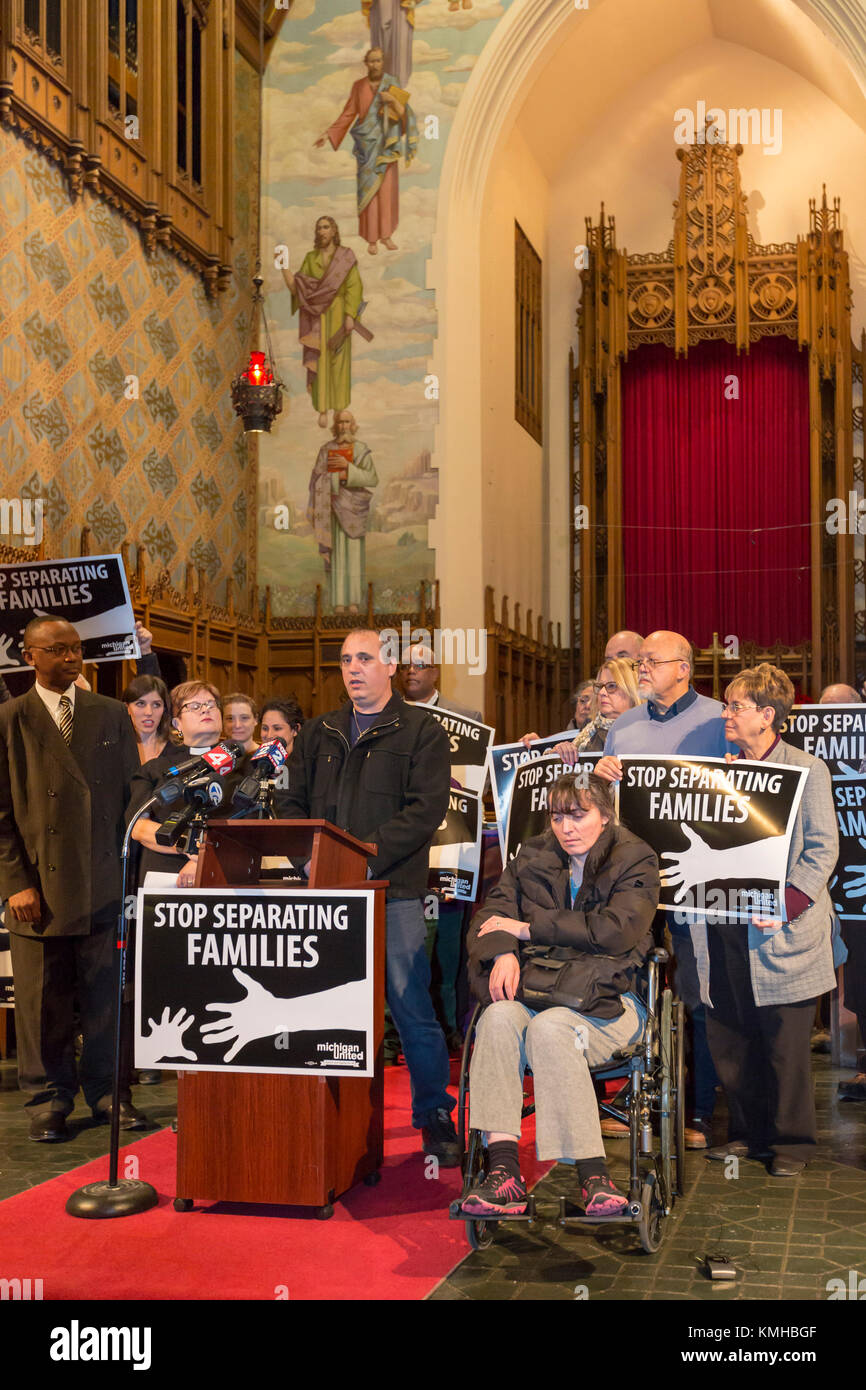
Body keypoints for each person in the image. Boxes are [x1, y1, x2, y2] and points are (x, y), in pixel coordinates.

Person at [281, 628, 459, 1164]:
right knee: (324, 1008)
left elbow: (425, 811)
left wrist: (364, 855)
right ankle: (326, 1112)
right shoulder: (319, 732)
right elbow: (291, 801)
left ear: (389, 667)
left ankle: (433, 1117)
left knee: (411, 1008)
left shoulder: (421, 731)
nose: (353, 668)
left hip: (394, 891)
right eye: (344, 660)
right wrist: (303, 853)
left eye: (364, 658)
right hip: (325, 893)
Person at [460, 772, 659, 1216]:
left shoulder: (636, 858)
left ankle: (593, 1176)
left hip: (611, 1002)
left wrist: (530, 929)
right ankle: (504, 1172)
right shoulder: (531, 855)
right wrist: (503, 953)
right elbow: (492, 918)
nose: (566, 827)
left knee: (551, 1030)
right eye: (556, 817)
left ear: (605, 816)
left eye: (578, 814)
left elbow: (615, 931)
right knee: (496, 1016)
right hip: (539, 991)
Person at [0, 616, 143, 1140]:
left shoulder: (109, 715)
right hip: (35, 887)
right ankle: (47, 1100)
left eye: (75, 649)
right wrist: (16, 881)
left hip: (103, 881)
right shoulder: (10, 719)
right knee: (43, 1002)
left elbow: (133, 799)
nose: (70, 658)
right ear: (29, 656)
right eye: (57, 650)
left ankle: (110, 1092)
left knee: (108, 997)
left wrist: (129, 872)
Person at [695, 664, 839, 1176]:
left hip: (785, 931)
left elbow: (823, 850)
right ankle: (747, 1134)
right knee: (735, 1037)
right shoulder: (725, 770)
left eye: (736, 706)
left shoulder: (808, 769)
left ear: (767, 715)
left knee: (785, 1045)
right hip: (728, 926)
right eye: (728, 705)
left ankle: (792, 1145)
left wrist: (783, 907)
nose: (726, 714)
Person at [594, 630, 727, 1149]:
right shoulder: (623, 725)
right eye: (638, 660)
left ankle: (701, 1109)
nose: (641, 667)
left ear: (683, 668)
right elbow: (603, 805)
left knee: (698, 990)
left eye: (651, 661)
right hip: (633, 878)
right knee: (623, 979)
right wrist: (602, 775)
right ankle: (622, 1099)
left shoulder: (719, 720)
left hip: (697, 881)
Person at [315, 49, 417, 256]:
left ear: (383, 62)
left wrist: (392, 101)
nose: (375, 65)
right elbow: (349, 113)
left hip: (386, 146)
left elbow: (404, 112)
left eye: (378, 61)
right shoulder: (359, 86)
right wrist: (328, 134)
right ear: (366, 63)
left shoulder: (392, 82)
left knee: (387, 192)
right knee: (368, 194)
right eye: (371, 61)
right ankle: (372, 239)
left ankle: (386, 236)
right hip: (366, 147)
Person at [127, 681, 228, 889]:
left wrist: (204, 857)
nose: (205, 710)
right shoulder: (157, 769)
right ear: (177, 724)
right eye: (194, 706)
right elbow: (138, 827)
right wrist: (188, 848)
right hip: (165, 879)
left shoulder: (245, 767)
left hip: (226, 874)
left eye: (211, 704)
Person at [282, 217, 363, 428]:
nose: (322, 232)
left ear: (334, 231)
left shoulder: (346, 257)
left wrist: (349, 315)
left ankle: (338, 408)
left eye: (326, 227)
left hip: (338, 314)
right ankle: (322, 409)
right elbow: (298, 289)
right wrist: (283, 268)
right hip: (316, 318)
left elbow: (354, 287)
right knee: (320, 360)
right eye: (319, 228)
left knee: (339, 362)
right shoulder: (311, 258)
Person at [308, 409, 378, 611]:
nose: (343, 426)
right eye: (340, 422)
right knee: (337, 554)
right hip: (333, 508)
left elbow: (372, 478)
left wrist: (348, 468)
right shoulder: (326, 449)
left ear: (353, 425)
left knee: (353, 556)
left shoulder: (361, 449)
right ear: (335, 426)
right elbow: (316, 479)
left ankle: (354, 602)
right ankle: (338, 602)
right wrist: (333, 479)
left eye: (347, 422)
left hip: (354, 509)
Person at [554, 657, 641, 757]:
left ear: (632, 690)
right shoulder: (588, 731)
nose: (602, 693)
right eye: (600, 686)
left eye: (611, 686)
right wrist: (559, 754)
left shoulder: (648, 732)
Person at [399, 642, 483, 722]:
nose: (411, 670)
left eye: (420, 665)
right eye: (405, 666)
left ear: (435, 674)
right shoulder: (388, 713)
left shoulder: (467, 718)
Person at [122, 674, 172, 764]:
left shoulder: (178, 751)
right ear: (127, 708)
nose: (149, 712)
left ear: (164, 709)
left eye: (156, 704)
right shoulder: (115, 750)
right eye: (141, 704)